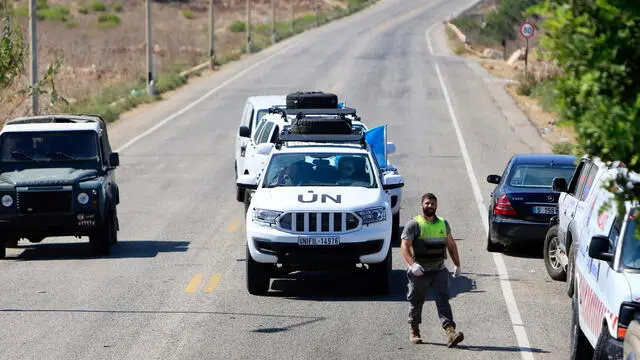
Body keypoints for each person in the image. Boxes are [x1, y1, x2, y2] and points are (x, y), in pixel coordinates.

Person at [400, 192, 464, 347]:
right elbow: (405, 246)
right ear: (422, 205)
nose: (430, 206)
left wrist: (457, 264)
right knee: (416, 301)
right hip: (419, 271)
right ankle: (414, 330)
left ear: (436, 206)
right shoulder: (414, 224)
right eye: (427, 203)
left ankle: (450, 332)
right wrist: (412, 264)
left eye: (433, 203)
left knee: (443, 300)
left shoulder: (443, 223)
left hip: (439, 270)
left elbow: (451, 245)